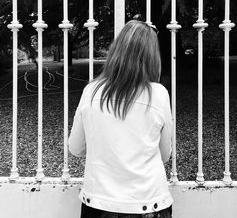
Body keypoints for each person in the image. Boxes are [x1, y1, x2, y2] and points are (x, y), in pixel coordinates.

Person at [69, 20, 173, 218]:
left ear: (116, 50)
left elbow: (76, 148)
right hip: (148, 203)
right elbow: (165, 154)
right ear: (152, 56)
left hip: (99, 203)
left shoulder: (91, 91)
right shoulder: (158, 94)